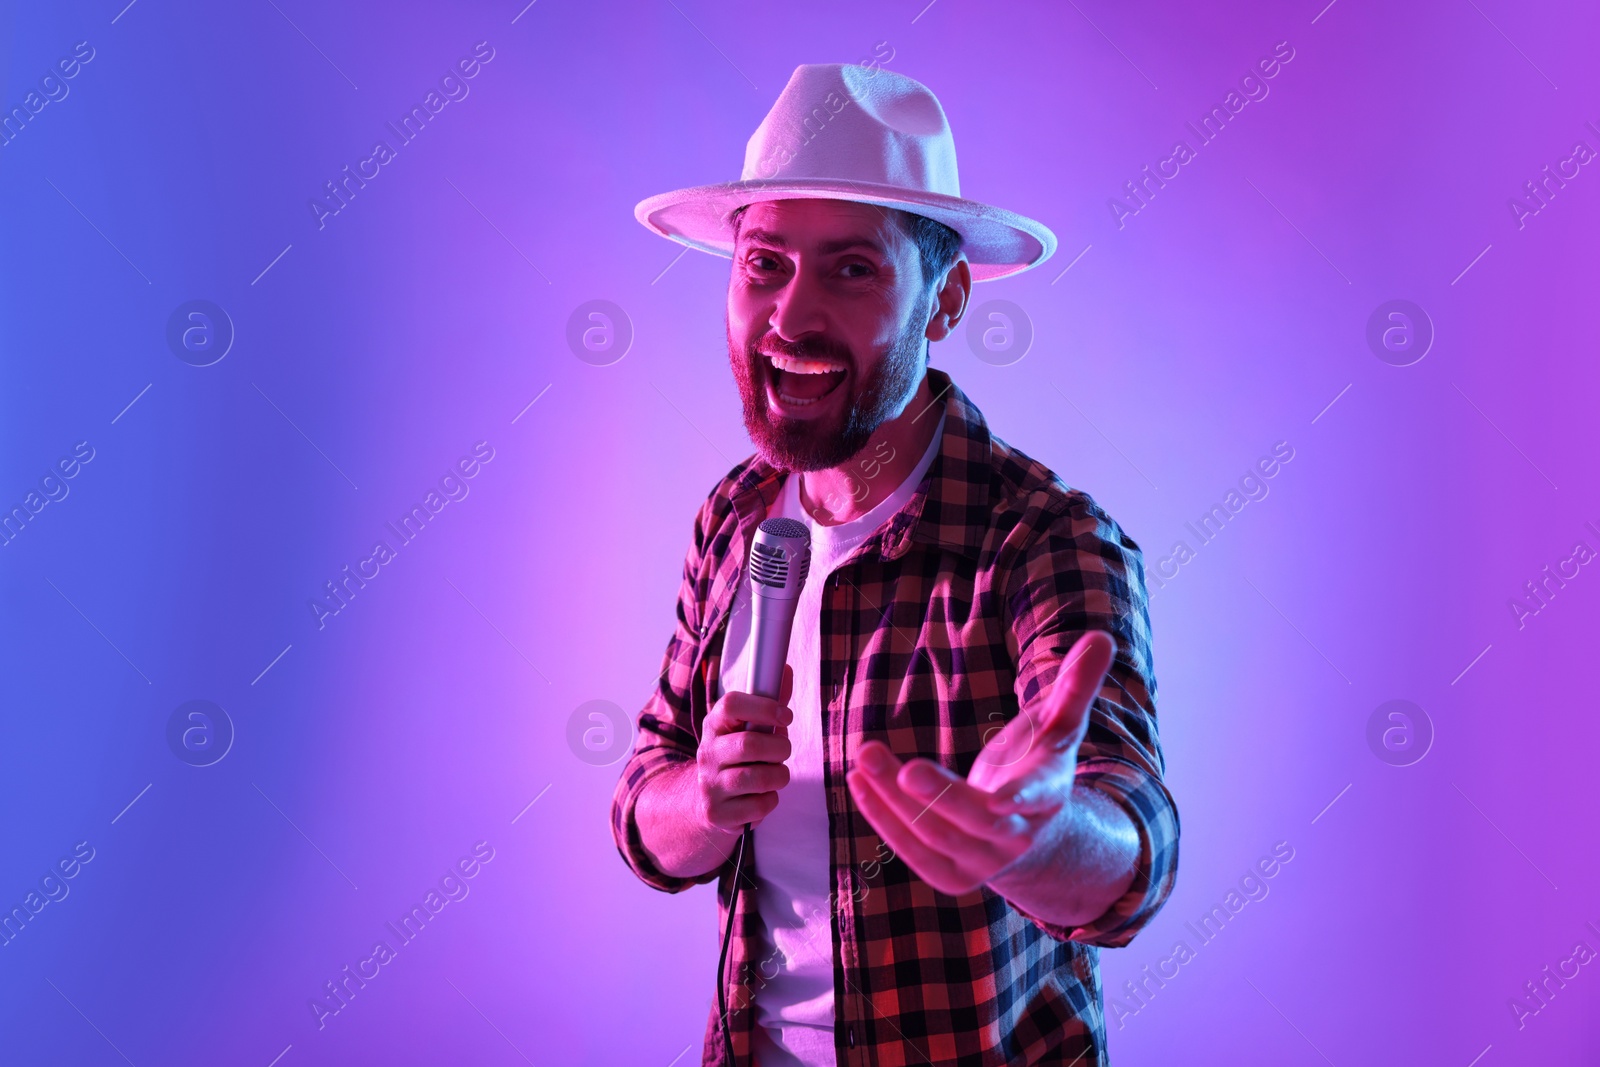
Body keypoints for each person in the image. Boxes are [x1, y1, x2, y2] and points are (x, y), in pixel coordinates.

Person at [611, 63, 1179, 1066]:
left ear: (946, 299)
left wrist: (1036, 839)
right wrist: (702, 796)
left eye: (852, 269)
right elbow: (645, 809)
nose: (789, 318)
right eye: (764, 264)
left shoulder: (1042, 540)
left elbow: (1132, 843)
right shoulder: (734, 517)